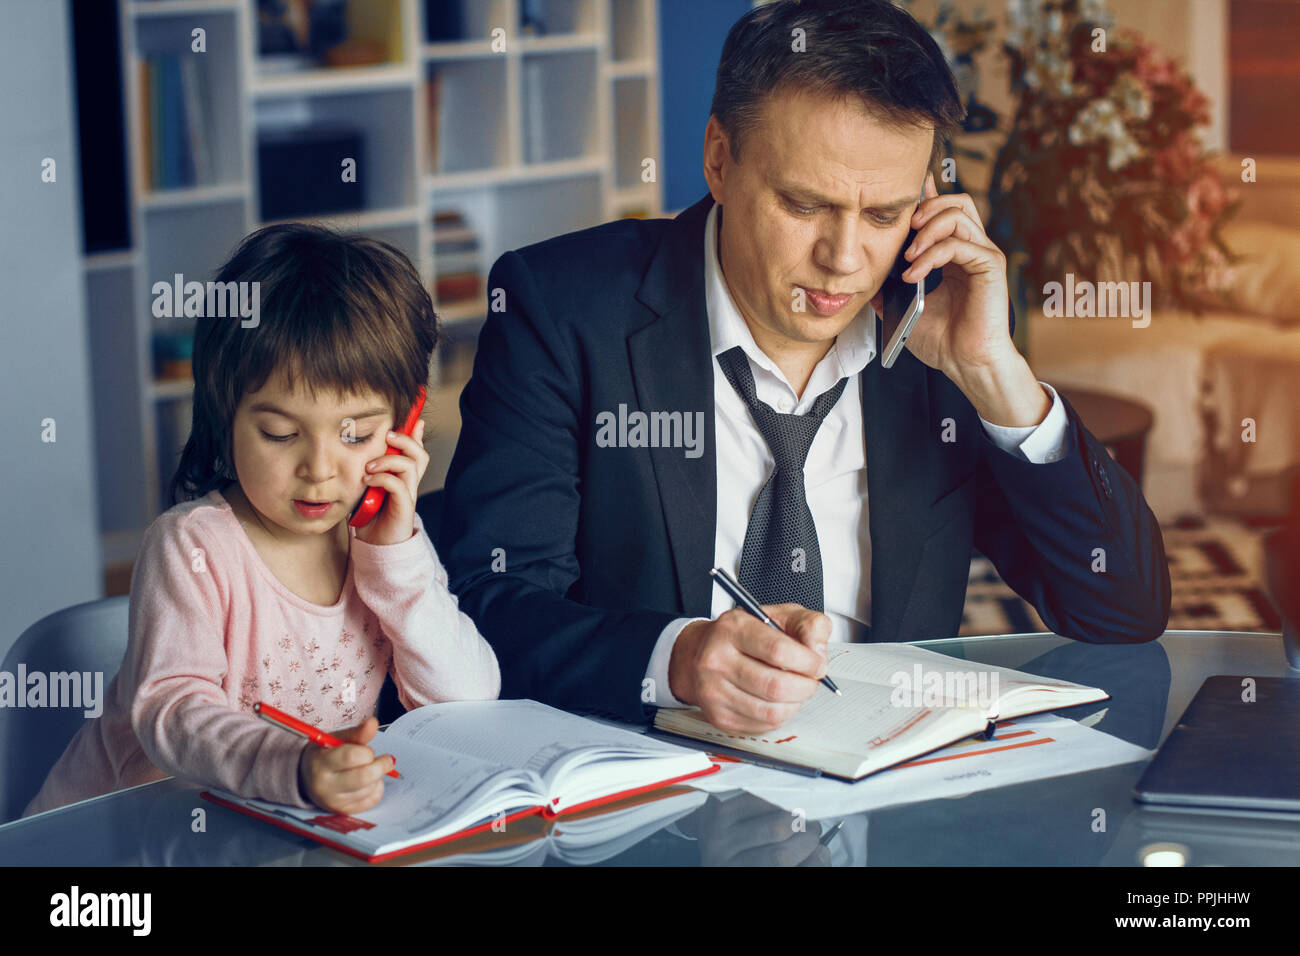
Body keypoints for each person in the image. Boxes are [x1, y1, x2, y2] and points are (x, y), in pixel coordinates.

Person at [439, 0, 1169, 733]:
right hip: (640, 788)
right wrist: (677, 660)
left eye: (884, 215)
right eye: (803, 205)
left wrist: (995, 376)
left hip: (882, 799)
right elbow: (486, 603)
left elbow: (1121, 609)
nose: (844, 260)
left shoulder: (939, 335)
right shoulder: (559, 309)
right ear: (720, 161)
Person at [24, 224, 499, 818]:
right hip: (106, 843)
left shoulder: (383, 547)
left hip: (251, 833)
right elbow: (172, 710)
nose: (320, 469)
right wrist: (292, 767)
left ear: (406, 427)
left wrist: (397, 558)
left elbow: (468, 698)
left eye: (357, 433)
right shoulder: (191, 547)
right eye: (280, 433)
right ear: (226, 417)